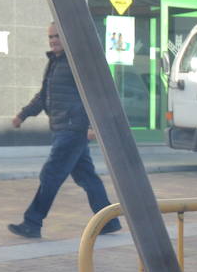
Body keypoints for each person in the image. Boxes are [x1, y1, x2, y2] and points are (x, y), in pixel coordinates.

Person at [7, 22, 121, 239]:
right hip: (63, 128)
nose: (53, 41)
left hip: (72, 129)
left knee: (50, 175)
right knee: (87, 177)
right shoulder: (55, 62)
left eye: (57, 36)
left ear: (68, 37)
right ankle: (108, 221)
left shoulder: (77, 63)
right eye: (50, 37)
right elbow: (44, 95)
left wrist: (92, 125)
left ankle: (32, 222)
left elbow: (95, 95)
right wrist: (23, 115)